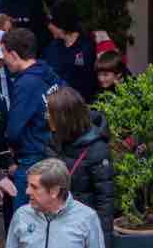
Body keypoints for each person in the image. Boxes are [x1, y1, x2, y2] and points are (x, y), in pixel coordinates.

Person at [0, 28, 62, 202]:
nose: (3, 59)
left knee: (24, 218)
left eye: (4, 53)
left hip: (32, 157)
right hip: (53, 151)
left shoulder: (25, 84)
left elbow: (14, 129)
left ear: (15, 55)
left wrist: (10, 152)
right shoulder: (48, 73)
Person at [45, 88, 116, 241]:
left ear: (63, 117)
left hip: (82, 230)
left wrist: (102, 241)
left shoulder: (97, 150)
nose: (46, 117)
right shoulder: (55, 139)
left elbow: (105, 202)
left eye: (50, 113)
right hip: (56, 224)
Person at [3, 159, 106, 248]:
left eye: (34, 187)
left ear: (54, 191)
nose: (27, 191)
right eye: (28, 185)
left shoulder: (87, 218)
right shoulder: (21, 215)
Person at [41, 1, 98, 103]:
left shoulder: (86, 47)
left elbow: (89, 83)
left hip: (79, 106)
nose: (48, 26)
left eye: (51, 22)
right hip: (56, 105)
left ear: (61, 24)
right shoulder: (52, 47)